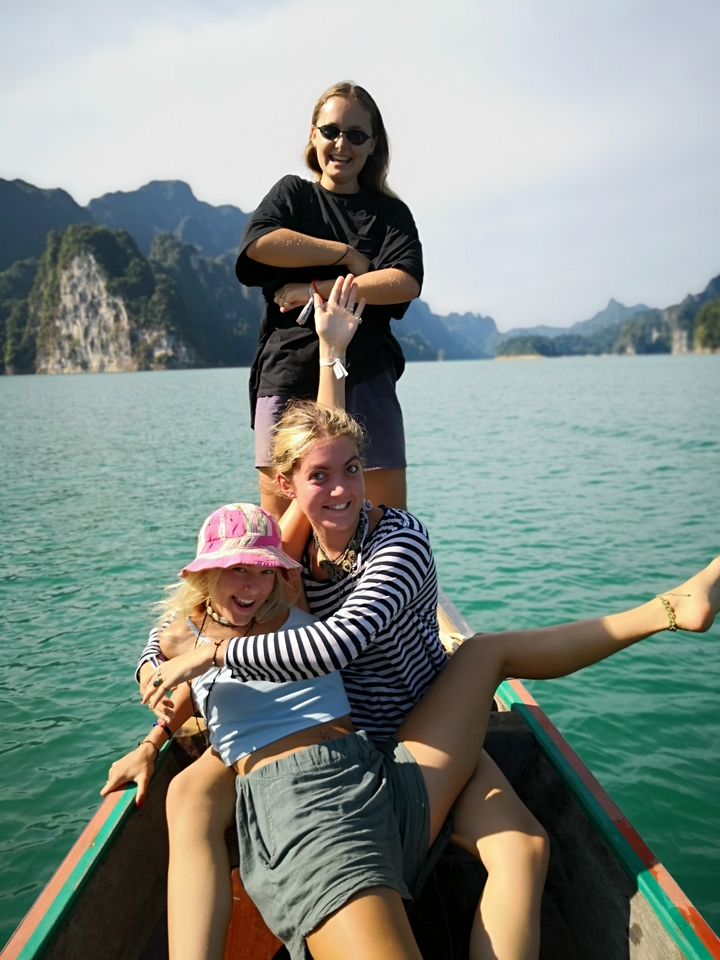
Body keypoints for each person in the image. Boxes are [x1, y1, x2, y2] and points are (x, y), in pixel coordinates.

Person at [236, 81, 422, 517]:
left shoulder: (390, 215)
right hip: (288, 376)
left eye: (357, 135)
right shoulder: (293, 196)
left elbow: (404, 281)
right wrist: (346, 255)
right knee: (281, 538)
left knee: (383, 525)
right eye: (331, 130)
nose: (342, 144)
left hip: (366, 376)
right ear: (313, 135)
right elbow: (260, 244)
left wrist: (312, 290)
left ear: (373, 145)